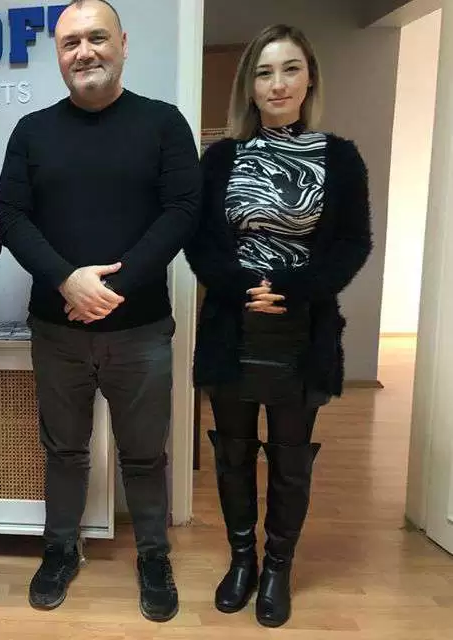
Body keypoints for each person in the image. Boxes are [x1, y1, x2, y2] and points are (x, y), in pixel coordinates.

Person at [0, 0, 201, 622]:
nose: (84, 51)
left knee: (145, 454)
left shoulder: (163, 123)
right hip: (56, 329)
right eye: (70, 43)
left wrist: (116, 285)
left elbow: (183, 209)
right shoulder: (32, 131)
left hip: (140, 329)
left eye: (96, 38)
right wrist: (67, 280)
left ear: (123, 43)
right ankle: (60, 549)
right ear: (59, 56)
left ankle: (153, 556)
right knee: (64, 450)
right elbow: (9, 216)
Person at [185, 24, 372, 628]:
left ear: (309, 77)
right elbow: (199, 242)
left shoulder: (340, 158)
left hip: (302, 330)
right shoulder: (220, 158)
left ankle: (277, 567)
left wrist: (292, 288)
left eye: (290, 69)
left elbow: (352, 244)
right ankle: (242, 560)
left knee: (290, 458)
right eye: (264, 73)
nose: (278, 83)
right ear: (250, 86)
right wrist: (244, 287)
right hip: (232, 325)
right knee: (233, 451)